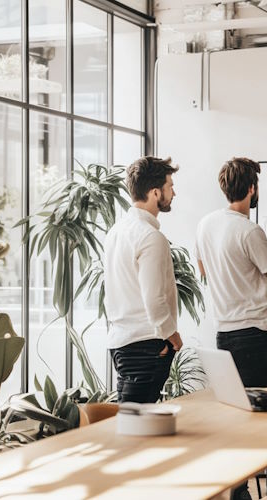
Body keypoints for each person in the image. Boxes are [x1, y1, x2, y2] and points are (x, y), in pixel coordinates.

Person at [195, 157, 267, 388]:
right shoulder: (249, 231)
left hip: (223, 333)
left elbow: (203, 269)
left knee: (234, 406)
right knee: (257, 408)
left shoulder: (205, 224)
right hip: (255, 335)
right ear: (252, 188)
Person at [103, 156, 183, 404]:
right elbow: (154, 298)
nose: (174, 192)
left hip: (121, 343)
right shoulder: (150, 236)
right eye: (170, 186)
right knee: (136, 427)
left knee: (130, 421)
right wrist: (173, 337)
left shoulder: (116, 231)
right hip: (146, 345)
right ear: (155, 192)